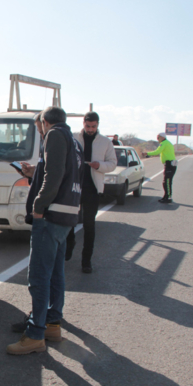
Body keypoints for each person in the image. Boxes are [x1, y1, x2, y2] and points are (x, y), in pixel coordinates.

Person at [7, 106, 83, 354]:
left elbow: (55, 174)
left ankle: (35, 334)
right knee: (55, 274)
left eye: (39, 127)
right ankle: (52, 323)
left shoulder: (54, 135)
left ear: (44, 123)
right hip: (66, 215)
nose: (39, 131)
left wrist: (38, 206)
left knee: (39, 277)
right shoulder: (73, 139)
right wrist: (33, 173)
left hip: (50, 216)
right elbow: (58, 173)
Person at [71, 111, 117, 273]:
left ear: (98, 125)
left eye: (93, 126)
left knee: (89, 225)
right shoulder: (73, 137)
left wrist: (99, 166)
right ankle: (69, 246)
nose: (90, 129)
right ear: (83, 123)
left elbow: (112, 164)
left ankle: (86, 261)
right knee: (69, 221)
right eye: (88, 126)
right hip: (73, 186)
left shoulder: (105, 142)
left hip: (92, 189)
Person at [146, 132, 176, 203]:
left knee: (167, 182)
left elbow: (157, 151)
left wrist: (147, 153)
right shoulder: (167, 143)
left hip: (169, 164)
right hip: (169, 164)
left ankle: (168, 197)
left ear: (162, 137)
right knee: (165, 182)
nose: (157, 139)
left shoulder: (164, 143)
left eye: (158, 137)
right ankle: (166, 196)